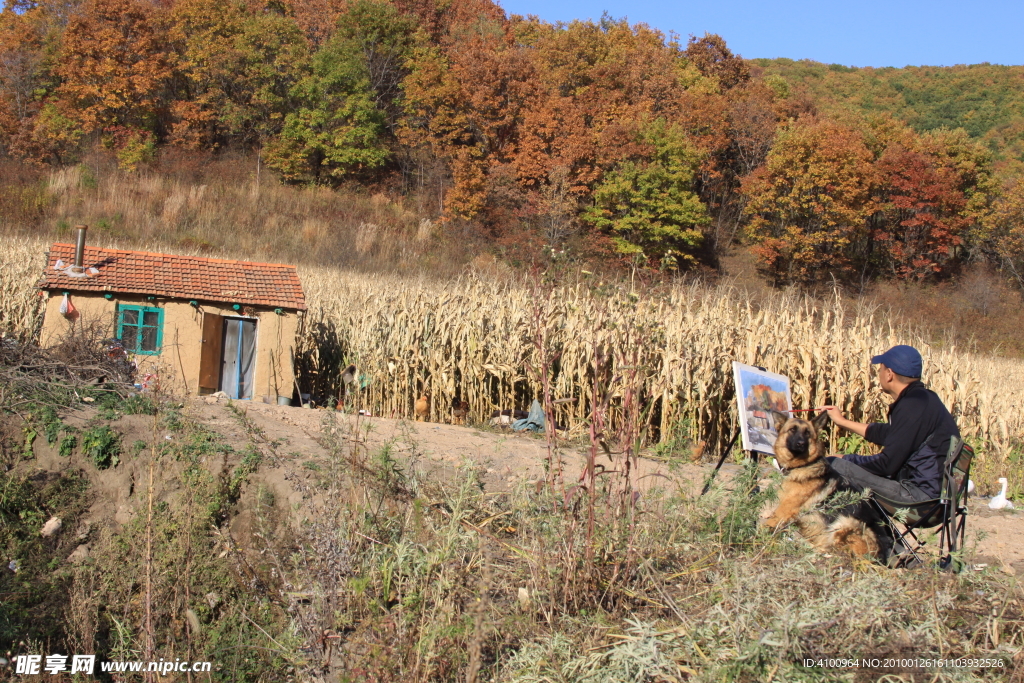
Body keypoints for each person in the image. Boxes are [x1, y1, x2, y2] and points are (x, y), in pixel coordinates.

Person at [822, 344, 960, 506]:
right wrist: (842, 422)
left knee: (834, 464)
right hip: (937, 494)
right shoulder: (924, 399)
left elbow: (886, 465)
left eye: (880, 369)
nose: (878, 374)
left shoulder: (911, 406)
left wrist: (845, 459)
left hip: (920, 497)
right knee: (841, 463)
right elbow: (889, 434)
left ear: (889, 374)